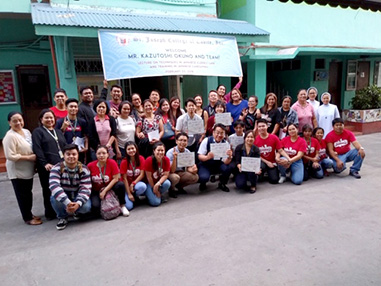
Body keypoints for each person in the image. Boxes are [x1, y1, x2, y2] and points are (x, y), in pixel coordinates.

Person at [3, 112, 41, 225]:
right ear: (9, 123)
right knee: (22, 195)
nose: (18, 123)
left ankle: (29, 213)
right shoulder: (10, 136)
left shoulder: (26, 132)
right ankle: (27, 218)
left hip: (27, 169)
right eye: (14, 121)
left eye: (20, 120)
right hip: (17, 171)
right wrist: (29, 157)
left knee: (28, 193)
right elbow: (10, 156)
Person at [32, 109, 67, 220]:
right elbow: (37, 148)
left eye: (51, 117)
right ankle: (50, 213)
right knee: (48, 189)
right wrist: (44, 163)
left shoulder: (58, 131)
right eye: (46, 118)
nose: (49, 120)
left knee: (62, 187)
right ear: (41, 120)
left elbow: (64, 146)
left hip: (61, 165)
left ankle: (63, 210)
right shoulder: (38, 132)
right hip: (48, 167)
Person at [49, 144, 92, 230]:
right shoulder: (56, 168)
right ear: (63, 155)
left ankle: (76, 211)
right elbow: (54, 186)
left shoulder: (84, 169)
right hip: (64, 194)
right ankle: (62, 217)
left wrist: (78, 204)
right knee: (54, 197)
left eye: (74, 154)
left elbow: (86, 188)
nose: (71, 156)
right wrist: (67, 202)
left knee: (86, 207)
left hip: (77, 194)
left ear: (78, 155)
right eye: (68, 154)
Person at [87, 145, 131, 217]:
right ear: (96, 154)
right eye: (99, 153)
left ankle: (122, 205)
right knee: (96, 206)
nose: (101, 155)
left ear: (108, 154)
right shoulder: (90, 166)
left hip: (111, 187)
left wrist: (105, 191)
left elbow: (115, 178)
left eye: (104, 153)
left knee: (120, 185)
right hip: (97, 190)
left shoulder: (112, 162)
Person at [198, 123, 233, 192]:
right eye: (217, 133)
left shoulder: (225, 143)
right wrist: (207, 157)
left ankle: (222, 183)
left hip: (218, 164)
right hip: (206, 164)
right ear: (213, 132)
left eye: (222, 133)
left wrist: (229, 157)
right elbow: (199, 156)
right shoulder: (206, 141)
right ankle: (203, 183)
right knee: (204, 177)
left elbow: (226, 162)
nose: (219, 135)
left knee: (227, 168)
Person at [166, 132, 199, 198]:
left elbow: (189, 167)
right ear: (176, 141)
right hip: (171, 173)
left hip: (181, 172)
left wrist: (193, 170)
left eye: (185, 141)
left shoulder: (187, 152)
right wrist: (175, 158)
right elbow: (172, 170)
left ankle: (179, 187)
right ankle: (171, 189)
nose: (182, 142)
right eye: (180, 140)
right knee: (175, 178)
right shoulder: (170, 152)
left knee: (195, 177)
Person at [56, 98, 88, 163]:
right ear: (66, 108)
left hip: (79, 151)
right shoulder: (60, 122)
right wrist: (63, 128)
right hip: (66, 152)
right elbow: (56, 137)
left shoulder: (82, 121)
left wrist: (86, 147)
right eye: (71, 106)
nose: (73, 108)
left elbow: (86, 135)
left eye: (75, 107)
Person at [254, 119, 281, 184]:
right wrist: (267, 162)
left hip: (272, 162)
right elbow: (256, 155)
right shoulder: (255, 139)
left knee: (274, 180)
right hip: (262, 161)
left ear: (267, 126)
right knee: (258, 179)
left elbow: (279, 150)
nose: (261, 128)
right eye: (259, 127)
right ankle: (262, 173)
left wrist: (277, 157)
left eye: (263, 126)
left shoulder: (274, 137)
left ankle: (271, 172)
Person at [144, 142, 171, 206]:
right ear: (154, 151)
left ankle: (159, 194)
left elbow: (166, 174)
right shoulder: (149, 160)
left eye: (162, 150)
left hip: (158, 181)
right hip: (149, 183)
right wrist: (154, 188)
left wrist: (158, 184)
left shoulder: (166, 159)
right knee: (156, 203)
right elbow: (149, 177)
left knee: (167, 183)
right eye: (158, 150)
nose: (160, 152)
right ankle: (150, 195)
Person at [120, 141, 147, 206]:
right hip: (126, 185)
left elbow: (142, 174)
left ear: (136, 149)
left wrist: (133, 184)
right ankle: (129, 196)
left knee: (142, 186)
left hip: (136, 183)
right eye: (129, 149)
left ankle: (135, 196)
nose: (131, 150)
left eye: (132, 148)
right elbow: (124, 179)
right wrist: (129, 193)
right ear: (126, 151)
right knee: (129, 207)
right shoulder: (124, 162)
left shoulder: (141, 158)